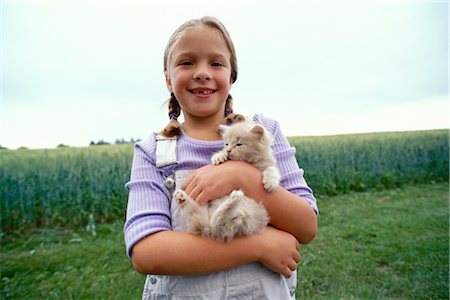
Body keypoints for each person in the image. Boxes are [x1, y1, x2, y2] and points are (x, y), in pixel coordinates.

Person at [124, 16, 318, 299]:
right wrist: (258, 246)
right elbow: (146, 252)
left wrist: (242, 177)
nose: (202, 72)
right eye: (187, 62)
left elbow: (307, 226)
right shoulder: (154, 151)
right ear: (168, 79)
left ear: (231, 77)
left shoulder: (264, 131)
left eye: (216, 63)